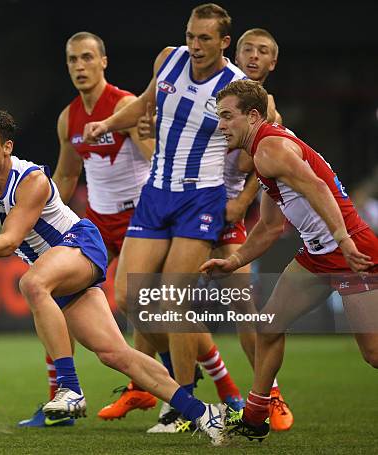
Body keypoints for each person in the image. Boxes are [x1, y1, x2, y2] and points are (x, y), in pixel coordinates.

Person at [0, 109, 229, 446]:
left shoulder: (31, 180)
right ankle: (203, 412)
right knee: (114, 354)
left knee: (32, 284)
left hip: (78, 244)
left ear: (6, 147)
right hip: (56, 266)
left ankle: (69, 388)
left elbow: (9, 242)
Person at [83, 3, 246, 433]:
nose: (194, 45)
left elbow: (268, 141)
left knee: (174, 298)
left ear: (224, 42)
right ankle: (201, 391)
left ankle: (183, 404)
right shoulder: (171, 59)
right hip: (156, 193)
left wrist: (245, 199)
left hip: (201, 200)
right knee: (129, 297)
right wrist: (107, 124)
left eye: (205, 38)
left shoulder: (238, 86)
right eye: (191, 35)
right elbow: (143, 104)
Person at [201, 79, 378, 442]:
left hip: (350, 251)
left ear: (252, 116)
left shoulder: (269, 150)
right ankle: (254, 416)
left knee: (374, 354)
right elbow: (268, 227)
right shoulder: (263, 155)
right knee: (268, 327)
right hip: (317, 256)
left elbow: (317, 187)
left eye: (227, 117)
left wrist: (343, 240)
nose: (221, 125)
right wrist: (233, 263)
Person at [18, 31, 155, 427]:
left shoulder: (125, 105)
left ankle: (154, 388)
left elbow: (154, 160)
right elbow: (65, 174)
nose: (79, 66)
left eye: (86, 58)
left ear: (103, 61)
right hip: (95, 221)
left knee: (139, 301)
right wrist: (46, 229)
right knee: (53, 290)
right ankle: (59, 401)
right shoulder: (68, 118)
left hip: (139, 219)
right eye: (72, 60)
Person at [213, 28, 293, 432]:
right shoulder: (213, 87)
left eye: (263, 51)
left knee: (242, 305)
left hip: (228, 211)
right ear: (234, 52)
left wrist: (243, 203)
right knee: (158, 298)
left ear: (272, 62)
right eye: (248, 49)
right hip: (188, 205)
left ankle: (270, 392)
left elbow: (255, 164)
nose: (254, 56)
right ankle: (179, 398)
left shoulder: (268, 108)